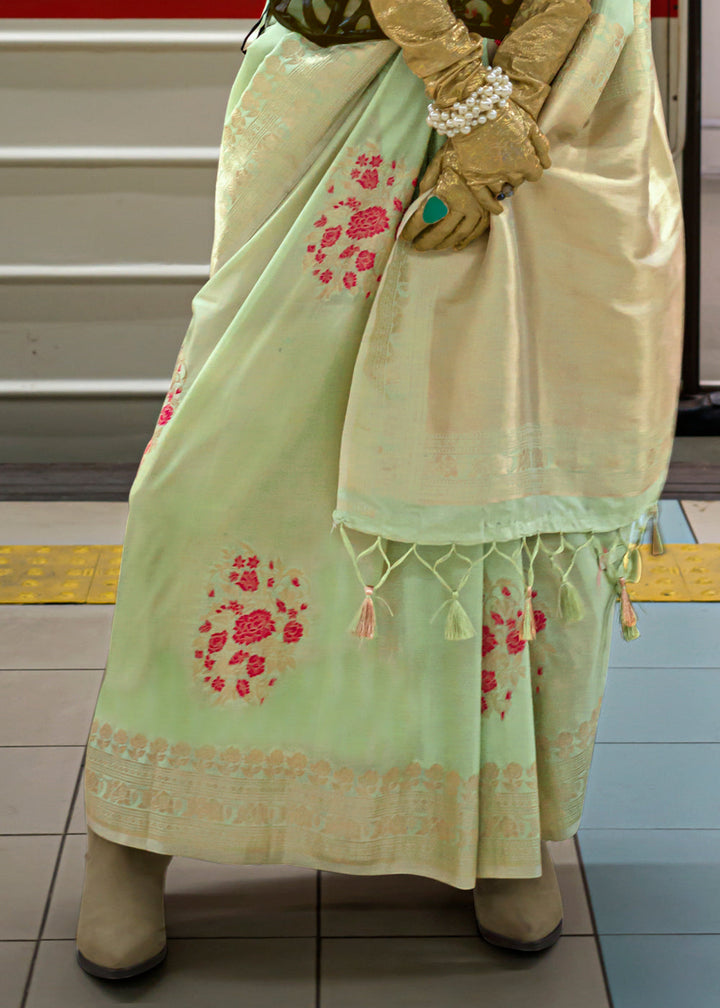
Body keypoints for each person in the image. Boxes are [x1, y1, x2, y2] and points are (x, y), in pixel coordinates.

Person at [76, 0, 684, 979]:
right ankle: (134, 827)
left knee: (501, 462)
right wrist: (459, 88)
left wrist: (511, 106)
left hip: (558, 103)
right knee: (225, 462)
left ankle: (499, 827)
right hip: (349, 76)